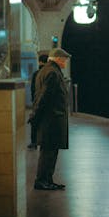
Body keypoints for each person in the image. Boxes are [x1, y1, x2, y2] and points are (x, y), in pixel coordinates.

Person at [30, 47, 71, 191]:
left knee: (50, 151)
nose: (66, 61)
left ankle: (47, 180)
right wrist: (35, 114)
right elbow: (44, 96)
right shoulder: (52, 73)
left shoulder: (45, 71)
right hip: (52, 119)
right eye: (64, 59)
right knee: (48, 152)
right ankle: (42, 181)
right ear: (58, 59)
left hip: (51, 119)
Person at [28, 53, 47, 149]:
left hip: (36, 101)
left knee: (34, 121)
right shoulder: (49, 72)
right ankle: (44, 141)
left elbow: (32, 89)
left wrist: (34, 101)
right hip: (46, 102)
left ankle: (34, 142)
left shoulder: (36, 73)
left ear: (39, 61)